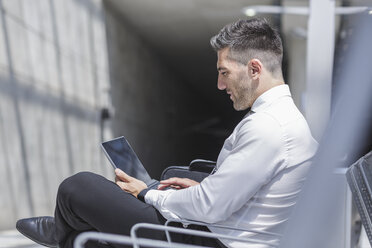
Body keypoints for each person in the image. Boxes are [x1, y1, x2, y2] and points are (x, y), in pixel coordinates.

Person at [16, 18, 318, 248]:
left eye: (224, 72)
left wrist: (147, 194)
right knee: (168, 178)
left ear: (254, 69)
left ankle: (63, 235)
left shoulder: (268, 127)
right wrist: (197, 188)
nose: (220, 85)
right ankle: (79, 236)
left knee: (77, 187)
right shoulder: (285, 120)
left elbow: (210, 207)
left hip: (213, 239)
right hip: (227, 230)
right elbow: (240, 194)